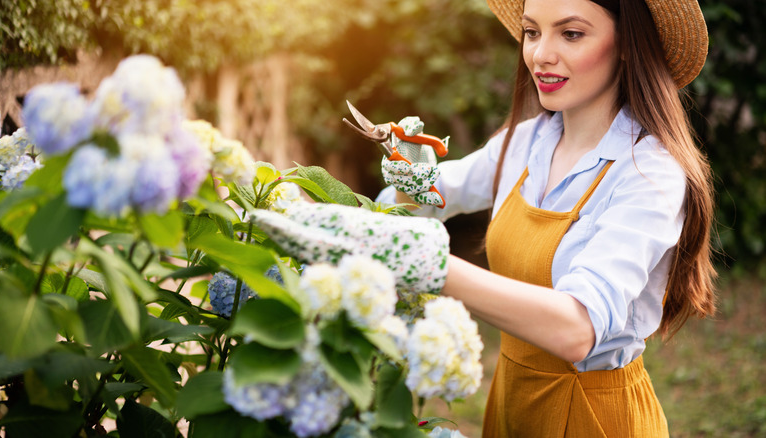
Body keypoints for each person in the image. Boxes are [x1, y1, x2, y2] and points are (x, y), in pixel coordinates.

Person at [251, 0, 717, 435]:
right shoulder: (528, 142)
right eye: (532, 32)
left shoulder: (648, 174)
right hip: (511, 398)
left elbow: (578, 329)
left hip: (595, 415)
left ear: (628, 48)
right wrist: (401, 178)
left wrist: (433, 264)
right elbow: (432, 193)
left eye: (571, 34)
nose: (541, 54)